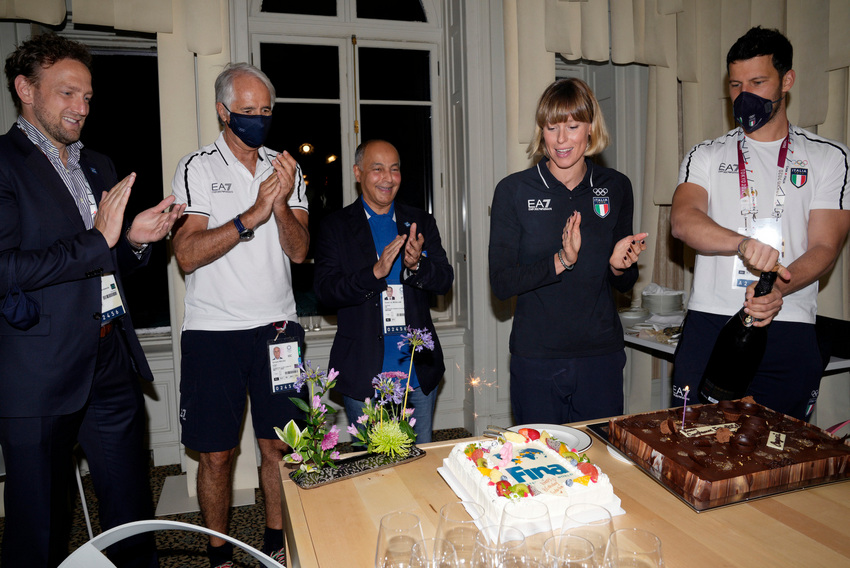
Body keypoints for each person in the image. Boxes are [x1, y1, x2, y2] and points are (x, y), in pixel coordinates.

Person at [0, 33, 185, 568]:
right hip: (38, 375)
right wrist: (99, 239)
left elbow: (100, 264)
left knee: (132, 520)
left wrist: (131, 241)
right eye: (66, 93)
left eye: (87, 95)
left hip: (109, 362)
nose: (81, 107)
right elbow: (4, 267)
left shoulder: (97, 164)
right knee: (39, 530)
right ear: (25, 90)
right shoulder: (3, 163)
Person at [670, 27, 850, 420]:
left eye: (757, 81)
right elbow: (683, 221)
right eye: (735, 84)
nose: (744, 94)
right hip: (712, 321)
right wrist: (741, 243)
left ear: (787, 80)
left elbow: (825, 246)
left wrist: (777, 288)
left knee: (779, 458)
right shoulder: (705, 154)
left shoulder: (829, 157)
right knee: (691, 447)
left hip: (788, 321)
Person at [170, 62, 309, 566]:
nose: (258, 119)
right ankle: (219, 553)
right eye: (247, 111)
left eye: (266, 110)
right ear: (223, 111)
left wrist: (281, 206)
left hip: (278, 330)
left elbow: (298, 251)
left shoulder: (285, 167)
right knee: (216, 455)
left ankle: (277, 544)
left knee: (282, 448)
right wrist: (251, 215)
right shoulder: (197, 167)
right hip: (214, 332)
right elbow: (187, 253)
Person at [489, 78, 647, 424]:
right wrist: (561, 261)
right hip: (537, 359)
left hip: (600, 356)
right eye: (552, 127)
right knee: (537, 467)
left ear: (590, 128)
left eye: (573, 127)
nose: (561, 140)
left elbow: (624, 282)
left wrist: (620, 267)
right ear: (541, 131)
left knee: (599, 464)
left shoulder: (615, 186)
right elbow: (501, 283)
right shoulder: (513, 191)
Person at [314, 140, 454, 443]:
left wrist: (417, 266)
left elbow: (444, 280)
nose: (388, 178)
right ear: (358, 173)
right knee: (372, 471)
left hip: (416, 373)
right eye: (377, 169)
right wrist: (373, 274)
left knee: (420, 465)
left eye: (394, 169)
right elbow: (325, 292)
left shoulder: (419, 222)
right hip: (363, 371)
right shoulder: (335, 227)